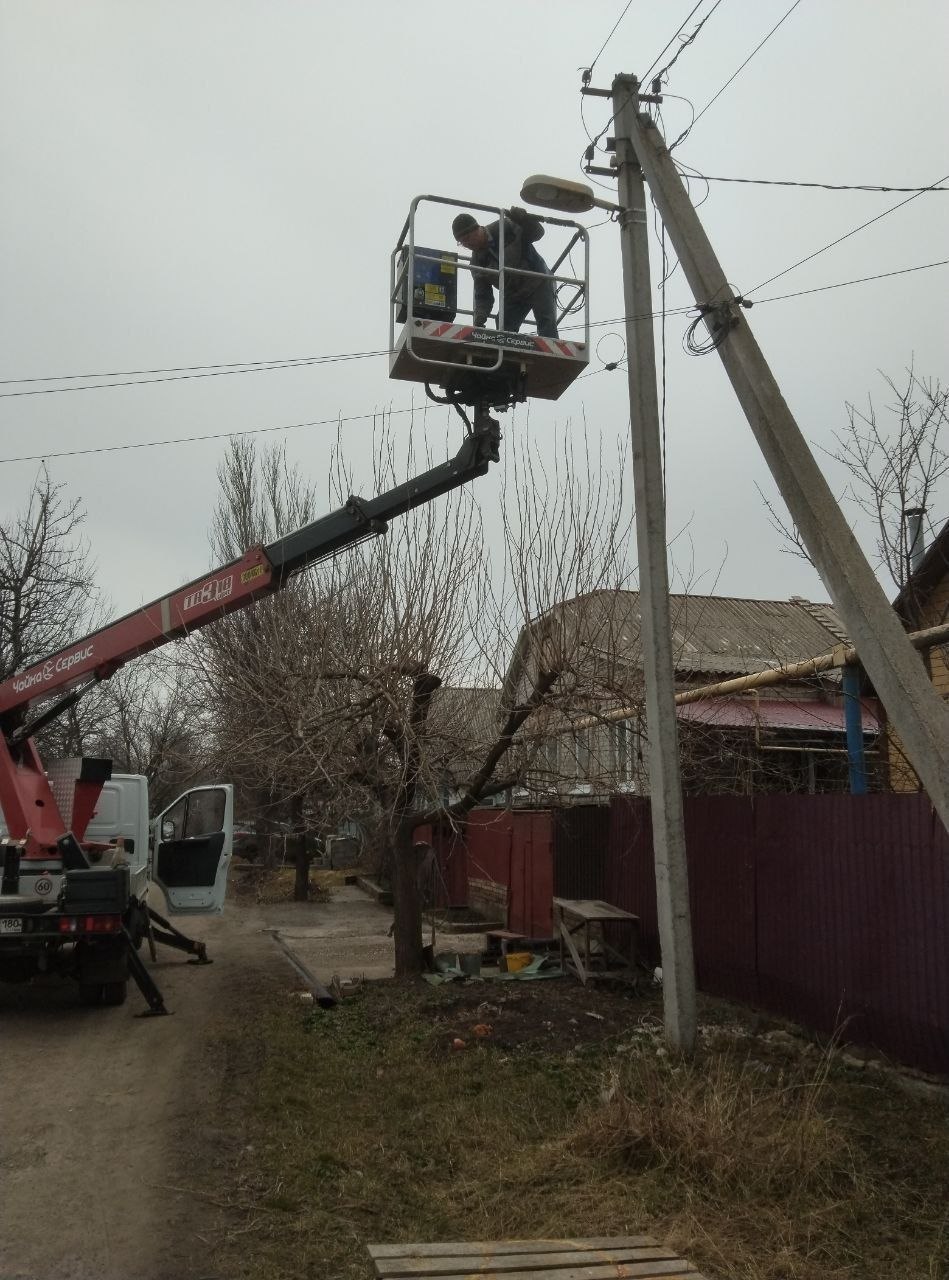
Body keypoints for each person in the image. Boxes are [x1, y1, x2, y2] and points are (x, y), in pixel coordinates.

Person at [451, 208, 559, 338]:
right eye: (462, 243)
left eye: (467, 238)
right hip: (514, 293)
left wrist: (525, 220)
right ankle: (508, 357)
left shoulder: (506, 227)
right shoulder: (477, 263)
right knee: (503, 326)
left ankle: (550, 356)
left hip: (538, 280)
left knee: (547, 324)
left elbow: (538, 233)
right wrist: (480, 318)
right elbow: (483, 295)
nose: (467, 244)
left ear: (477, 229)